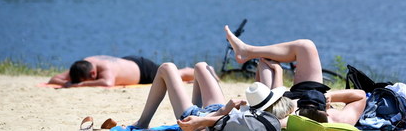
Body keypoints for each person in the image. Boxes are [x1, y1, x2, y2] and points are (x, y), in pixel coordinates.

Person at [224, 25, 366, 126]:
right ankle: (248, 51)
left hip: (284, 101)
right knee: (306, 46)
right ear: (327, 111)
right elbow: (360, 95)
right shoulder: (339, 119)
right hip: (313, 94)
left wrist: (279, 72)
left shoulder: (288, 120)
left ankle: (247, 52)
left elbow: (275, 103)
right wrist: (330, 97)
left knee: (265, 65)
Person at [125, 61, 294, 131]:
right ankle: (192, 105)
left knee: (167, 68)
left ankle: (142, 123)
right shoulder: (276, 119)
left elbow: (213, 123)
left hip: (200, 118)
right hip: (216, 110)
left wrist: (224, 110)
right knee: (201, 66)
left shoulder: (249, 123)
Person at [48, 55, 194, 87]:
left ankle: (200, 72)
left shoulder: (105, 67)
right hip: (127, 63)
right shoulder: (82, 66)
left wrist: (78, 85)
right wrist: (68, 82)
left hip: (142, 69)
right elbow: (53, 79)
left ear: (93, 74)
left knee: (176, 74)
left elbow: (107, 83)